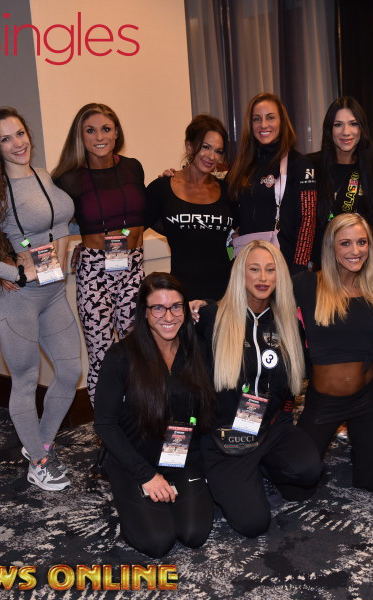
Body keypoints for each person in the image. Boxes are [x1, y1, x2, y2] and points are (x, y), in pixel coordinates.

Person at [0, 107, 81, 491]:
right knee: (26, 380)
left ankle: (40, 444)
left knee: (69, 372)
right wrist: (12, 273)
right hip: (21, 300)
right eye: (6, 138)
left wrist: (65, 257)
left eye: (20, 133)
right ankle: (40, 462)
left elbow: (60, 225)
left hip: (54, 292)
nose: (17, 143)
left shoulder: (43, 176)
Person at [197, 240, 322, 537]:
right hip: (225, 435)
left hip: (270, 427)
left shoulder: (288, 324)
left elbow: (293, 384)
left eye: (270, 270)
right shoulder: (212, 317)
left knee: (308, 473)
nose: (263, 278)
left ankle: (260, 465)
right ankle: (218, 474)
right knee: (253, 524)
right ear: (241, 274)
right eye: (254, 269)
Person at [93, 272, 215, 557]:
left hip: (180, 455)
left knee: (193, 534)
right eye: (158, 308)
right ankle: (132, 494)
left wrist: (207, 304)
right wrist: (147, 475)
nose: (168, 316)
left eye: (176, 306)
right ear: (144, 312)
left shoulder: (196, 349)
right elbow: (105, 424)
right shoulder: (121, 356)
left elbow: (230, 312)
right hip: (134, 460)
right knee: (158, 541)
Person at [52, 103, 148, 404]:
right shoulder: (69, 178)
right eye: (90, 130)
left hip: (134, 268)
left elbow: (145, 212)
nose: (99, 137)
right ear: (80, 137)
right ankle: (107, 425)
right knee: (102, 355)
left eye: (106, 129)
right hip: (95, 272)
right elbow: (52, 223)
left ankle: (137, 420)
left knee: (140, 353)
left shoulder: (133, 167)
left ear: (116, 132)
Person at [294, 213, 373, 492]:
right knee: (296, 483)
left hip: (367, 396)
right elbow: (261, 299)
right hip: (324, 400)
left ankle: (363, 448)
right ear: (331, 246)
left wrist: (370, 340)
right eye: (345, 243)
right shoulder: (307, 284)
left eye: (362, 242)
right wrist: (206, 306)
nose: (355, 250)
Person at [225, 93, 317, 273]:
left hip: (285, 267)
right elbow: (226, 208)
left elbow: (308, 220)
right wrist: (181, 176)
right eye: (256, 119)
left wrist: (299, 268)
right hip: (247, 266)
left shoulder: (300, 164)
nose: (263, 125)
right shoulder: (240, 166)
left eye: (270, 117)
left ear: (282, 122)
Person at [147, 114, 235, 300]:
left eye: (218, 151)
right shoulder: (162, 188)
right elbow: (133, 228)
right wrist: (109, 240)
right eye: (205, 147)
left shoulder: (227, 191)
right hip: (181, 297)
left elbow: (241, 233)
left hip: (225, 296)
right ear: (189, 146)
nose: (212, 156)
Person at [311, 97, 373, 278]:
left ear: (362, 129)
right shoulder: (310, 167)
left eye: (353, 124)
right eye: (338, 125)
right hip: (320, 272)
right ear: (329, 129)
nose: (346, 132)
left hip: (361, 271)